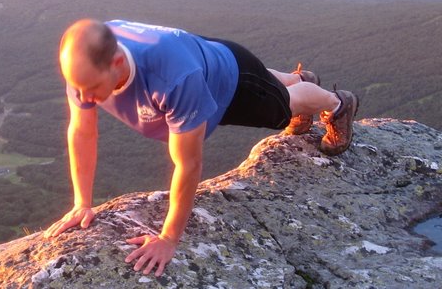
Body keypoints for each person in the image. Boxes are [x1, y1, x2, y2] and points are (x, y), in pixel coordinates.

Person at [44, 18, 358, 277]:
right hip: (207, 58)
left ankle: (337, 102)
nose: (83, 97)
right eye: (77, 87)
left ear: (116, 62)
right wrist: (82, 202)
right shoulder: (88, 62)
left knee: (282, 106)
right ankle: (298, 78)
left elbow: (188, 164)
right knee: (266, 83)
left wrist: (168, 238)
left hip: (229, 80)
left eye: (92, 89)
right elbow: (83, 132)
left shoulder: (173, 79)